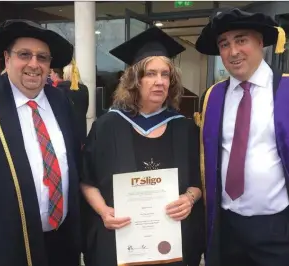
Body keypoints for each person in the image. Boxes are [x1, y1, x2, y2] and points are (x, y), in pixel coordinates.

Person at [81, 26, 205, 266]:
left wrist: (189, 198)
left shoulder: (185, 129)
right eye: (150, 74)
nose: (159, 82)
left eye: (165, 74)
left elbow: (199, 182)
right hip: (120, 242)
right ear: (134, 80)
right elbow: (87, 180)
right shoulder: (107, 126)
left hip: (172, 246)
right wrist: (103, 211)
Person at [0, 19, 82, 266]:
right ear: (7, 58)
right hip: (1, 242)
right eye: (24, 54)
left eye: (43, 58)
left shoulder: (60, 101)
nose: (34, 65)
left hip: (61, 243)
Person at [194, 8, 289, 266]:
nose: (233, 52)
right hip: (226, 226)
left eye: (241, 40)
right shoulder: (214, 96)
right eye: (224, 44)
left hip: (277, 228)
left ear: (261, 42)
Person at [57, 60, 89, 145]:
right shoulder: (84, 89)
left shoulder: (60, 89)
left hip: (67, 128)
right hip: (81, 128)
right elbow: (85, 108)